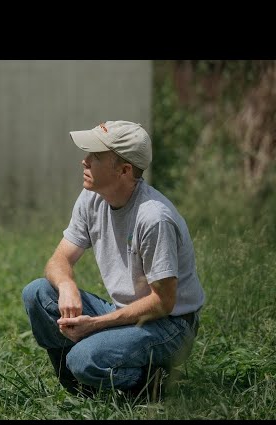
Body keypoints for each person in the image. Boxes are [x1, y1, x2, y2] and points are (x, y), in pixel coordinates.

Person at [21, 120, 205, 395]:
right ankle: (81, 389)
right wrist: (67, 286)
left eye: (95, 156)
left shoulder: (154, 218)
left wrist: (94, 325)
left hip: (170, 326)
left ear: (124, 170)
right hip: (124, 313)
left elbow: (163, 303)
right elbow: (58, 260)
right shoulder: (90, 198)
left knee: (83, 358)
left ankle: (152, 383)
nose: (84, 161)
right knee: (37, 292)